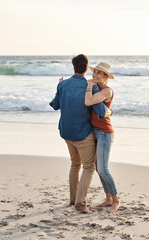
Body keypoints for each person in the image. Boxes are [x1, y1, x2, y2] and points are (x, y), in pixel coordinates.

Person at [49, 54, 112, 213]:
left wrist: (60, 86)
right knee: (89, 167)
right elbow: (99, 112)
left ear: (74, 67)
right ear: (86, 68)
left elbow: (55, 105)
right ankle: (80, 204)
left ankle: (72, 199)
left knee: (75, 164)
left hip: (66, 132)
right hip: (83, 134)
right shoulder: (91, 86)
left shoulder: (63, 85)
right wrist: (109, 111)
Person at [85, 62, 120, 212]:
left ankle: (116, 200)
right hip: (95, 130)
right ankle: (108, 198)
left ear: (106, 76)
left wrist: (88, 85)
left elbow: (91, 101)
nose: (95, 75)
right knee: (99, 169)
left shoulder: (106, 91)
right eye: (94, 72)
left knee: (103, 169)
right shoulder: (96, 87)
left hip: (105, 132)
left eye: (99, 73)